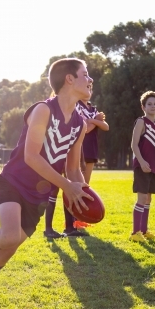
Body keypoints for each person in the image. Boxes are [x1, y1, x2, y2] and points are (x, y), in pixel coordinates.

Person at [0, 58, 93, 307]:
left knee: (8, 250)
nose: (90, 79)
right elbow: (31, 157)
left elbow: (73, 168)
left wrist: (83, 192)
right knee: (8, 236)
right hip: (14, 181)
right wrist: (65, 185)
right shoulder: (43, 110)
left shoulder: (80, 124)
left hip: (39, 196)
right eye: (85, 74)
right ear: (69, 79)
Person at [43, 98, 109, 238]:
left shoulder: (77, 113)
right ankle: (48, 228)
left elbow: (86, 128)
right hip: (54, 154)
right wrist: (95, 120)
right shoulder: (54, 107)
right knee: (53, 191)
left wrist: (93, 120)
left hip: (70, 154)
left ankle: (70, 227)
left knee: (71, 188)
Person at [129, 91, 155, 242]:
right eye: (149, 104)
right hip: (141, 167)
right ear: (143, 107)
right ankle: (135, 233)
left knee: (148, 199)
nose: (153, 106)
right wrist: (141, 161)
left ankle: (144, 230)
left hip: (152, 168)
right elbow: (133, 144)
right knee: (141, 198)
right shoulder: (141, 122)